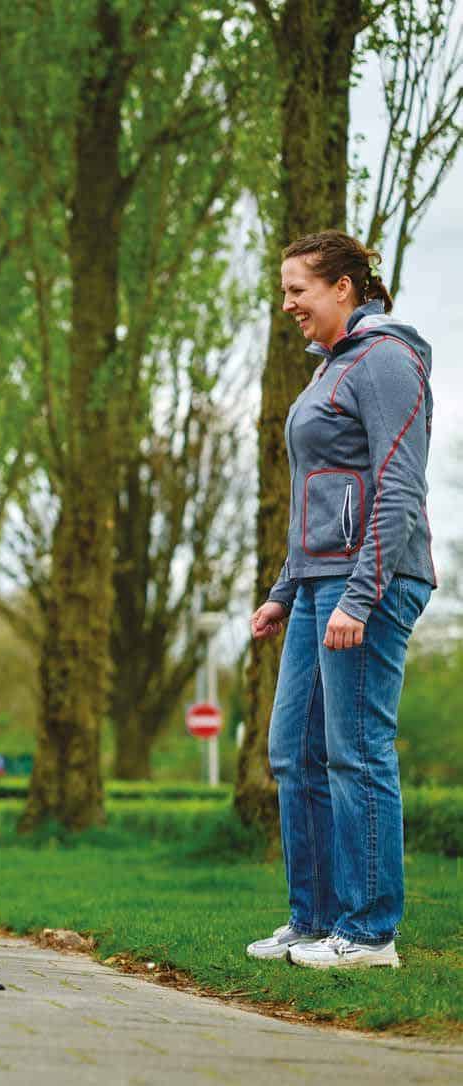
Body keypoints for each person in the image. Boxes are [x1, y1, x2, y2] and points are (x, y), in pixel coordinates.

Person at [246, 231, 435, 969]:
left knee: (354, 752)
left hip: (373, 583)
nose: (288, 303)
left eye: (298, 289)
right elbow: (315, 500)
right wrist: (283, 591)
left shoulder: (387, 359)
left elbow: (398, 485)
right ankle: (315, 920)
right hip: (321, 585)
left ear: (344, 288)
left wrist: (361, 594)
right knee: (294, 751)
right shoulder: (331, 368)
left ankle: (368, 932)